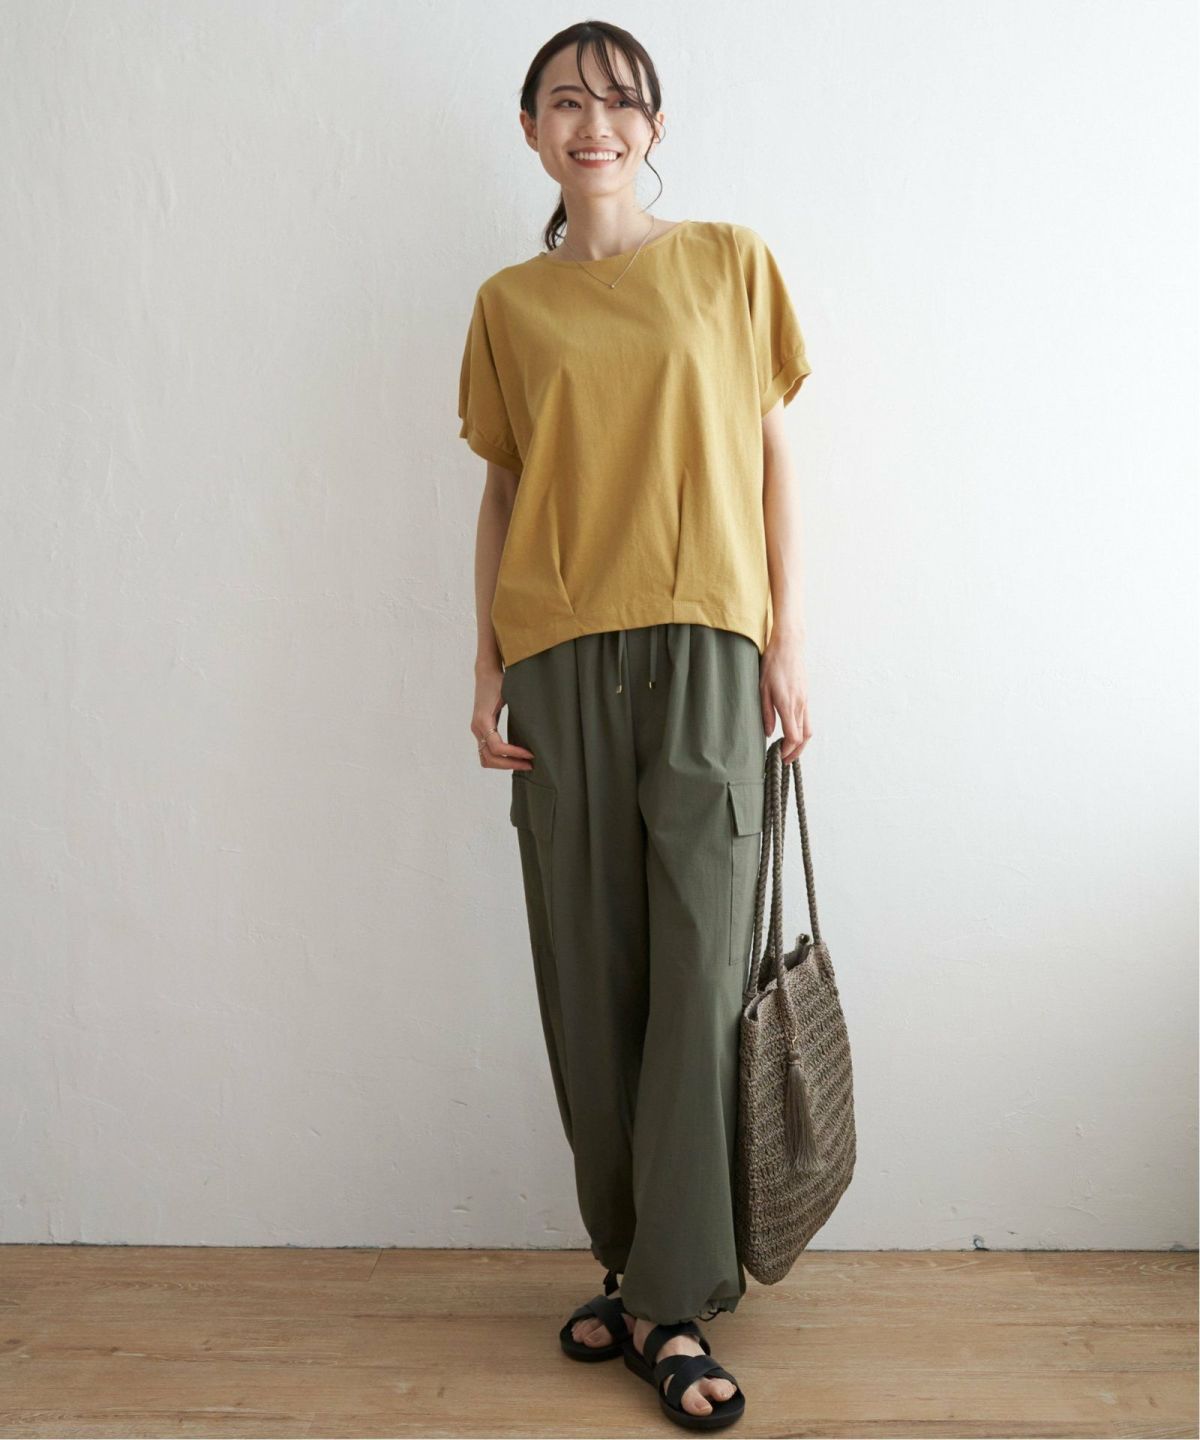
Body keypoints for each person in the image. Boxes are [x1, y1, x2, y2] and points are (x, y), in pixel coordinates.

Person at [457, 20, 814, 1430]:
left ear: (654, 125)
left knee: (701, 967)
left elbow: (773, 457)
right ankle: (632, 1262)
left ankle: (672, 1298)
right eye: (564, 101)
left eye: (617, 101)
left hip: (710, 648)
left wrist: (789, 640)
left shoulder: (730, 263)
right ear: (531, 130)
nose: (591, 122)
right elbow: (501, 490)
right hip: (555, 657)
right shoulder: (507, 304)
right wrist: (481, 659)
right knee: (588, 970)